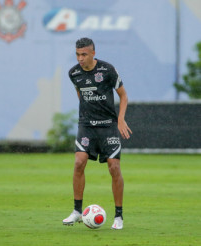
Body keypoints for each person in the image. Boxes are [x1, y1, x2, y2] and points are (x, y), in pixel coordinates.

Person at [62, 38, 132, 230]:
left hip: (108, 125)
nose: (80, 58)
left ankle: (119, 216)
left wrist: (120, 119)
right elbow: (81, 96)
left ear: (93, 53)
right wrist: (86, 114)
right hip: (86, 125)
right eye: (77, 54)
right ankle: (77, 211)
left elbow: (123, 95)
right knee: (78, 162)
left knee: (114, 168)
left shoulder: (107, 70)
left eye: (84, 54)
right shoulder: (73, 73)